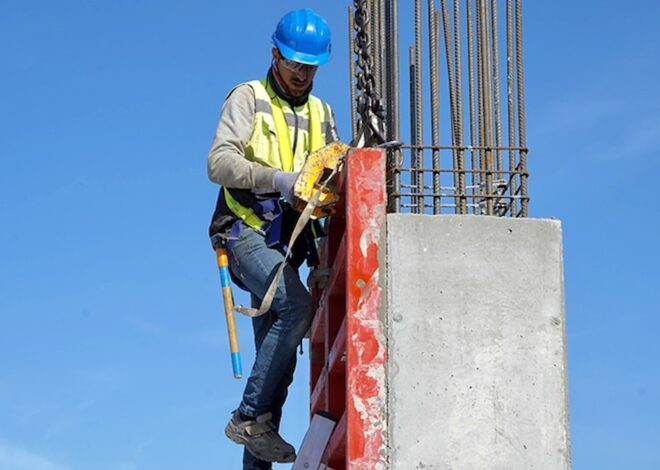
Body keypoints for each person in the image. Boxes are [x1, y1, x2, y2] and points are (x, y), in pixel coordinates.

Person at [207, 8, 338, 469]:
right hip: (245, 232)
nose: (302, 74)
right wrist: (277, 179)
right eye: (294, 64)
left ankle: (254, 424)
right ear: (275, 55)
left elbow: (328, 189)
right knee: (295, 308)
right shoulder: (249, 98)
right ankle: (244, 417)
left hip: (290, 246)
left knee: (277, 369)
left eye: (310, 66)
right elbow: (218, 164)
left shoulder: (323, 114)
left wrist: (322, 256)